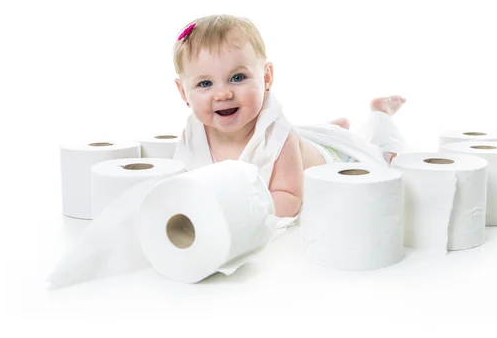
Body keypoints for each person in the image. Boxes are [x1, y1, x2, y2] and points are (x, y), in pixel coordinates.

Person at [172, 15, 406, 218]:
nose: (223, 93)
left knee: (383, 158)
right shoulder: (193, 135)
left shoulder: (278, 137)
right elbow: (181, 185)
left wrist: (235, 219)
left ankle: (381, 115)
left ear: (266, 78)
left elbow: (289, 198)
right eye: (205, 83)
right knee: (310, 138)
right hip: (302, 145)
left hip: (335, 163)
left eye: (238, 78)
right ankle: (332, 129)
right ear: (184, 92)